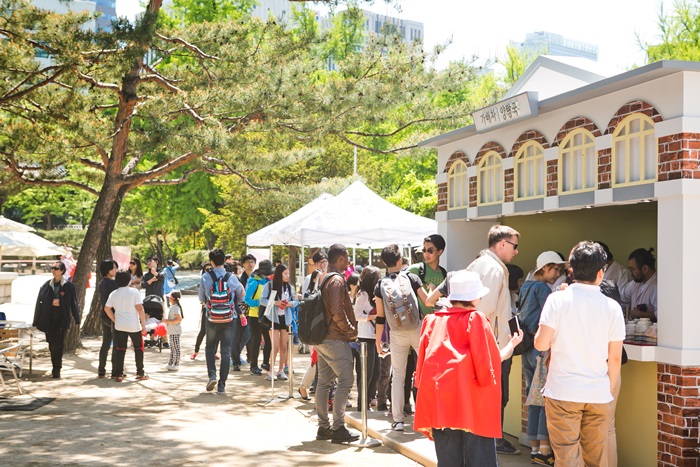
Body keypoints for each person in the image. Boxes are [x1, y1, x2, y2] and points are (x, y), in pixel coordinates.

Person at [426, 225, 521, 454]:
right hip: (484, 352)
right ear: (502, 244)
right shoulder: (492, 271)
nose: (516, 252)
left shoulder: (479, 263)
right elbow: (481, 315)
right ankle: (493, 441)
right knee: (485, 411)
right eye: (515, 246)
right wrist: (509, 345)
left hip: (454, 376)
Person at [414, 270, 523, 467]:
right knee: (480, 460)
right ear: (474, 297)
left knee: (448, 461)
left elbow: (421, 364)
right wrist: (512, 345)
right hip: (472, 402)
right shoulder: (476, 319)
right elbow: (488, 362)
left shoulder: (432, 320)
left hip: (440, 402)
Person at [534, 241, 625, 467]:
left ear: (571, 270)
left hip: (563, 391)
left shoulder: (556, 300)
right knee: (596, 458)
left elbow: (541, 344)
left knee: (567, 458)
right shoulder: (612, 307)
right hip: (598, 393)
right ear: (601, 271)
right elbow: (614, 358)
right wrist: (609, 389)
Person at [374, 244, 429, 432]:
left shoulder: (379, 285)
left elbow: (380, 317)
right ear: (400, 261)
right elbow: (428, 301)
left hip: (396, 334)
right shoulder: (412, 278)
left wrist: (377, 340)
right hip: (417, 329)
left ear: (383, 262)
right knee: (424, 373)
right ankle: (426, 417)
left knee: (398, 376)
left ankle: (397, 420)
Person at [519, 251, 566, 465]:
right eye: (555, 268)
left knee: (533, 398)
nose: (558, 273)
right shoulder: (542, 289)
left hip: (528, 349)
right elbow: (553, 316)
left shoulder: (526, 286)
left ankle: (535, 448)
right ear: (544, 267)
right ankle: (544, 450)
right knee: (545, 399)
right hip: (542, 350)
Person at [314, 244, 360, 444]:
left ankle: (323, 427)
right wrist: (350, 330)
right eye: (347, 257)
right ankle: (338, 427)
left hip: (322, 337)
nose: (349, 261)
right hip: (335, 337)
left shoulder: (323, 277)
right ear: (340, 258)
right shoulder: (337, 280)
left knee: (324, 383)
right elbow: (337, 311)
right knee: (346, 380)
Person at [198, 248, 244, 395]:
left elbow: (201, 298)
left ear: (211, 261)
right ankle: (222, 384)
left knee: (210, 348)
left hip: (211, 317)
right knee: (226, 351)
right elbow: (241, 296)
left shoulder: (206, 276)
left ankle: (212, 375)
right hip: (229, 318)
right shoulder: (231, 277)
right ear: (225, 260)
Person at [33, 261, 80, 378]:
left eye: (56, 268)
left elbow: (73, 303)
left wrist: (77, 318)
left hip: (61, 318)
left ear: (62, 271)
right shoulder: (46, 285)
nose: (53, 270)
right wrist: (36, 320)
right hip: (48, 318)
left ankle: (56, 369)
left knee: (59, 344)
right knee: (51, 343)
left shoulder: (69, 286)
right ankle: (55, 364)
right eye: (52, 268)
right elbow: (39, 303)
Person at [104, 270, 149, 382]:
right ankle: (140, 372)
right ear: (129, 279)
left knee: (121, 349)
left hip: (119, 326)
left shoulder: (113, 293)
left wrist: (114, 319)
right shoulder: (134, 292)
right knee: (138, 348)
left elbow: (107, 309)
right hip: (134, 325)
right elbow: (140, 308)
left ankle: (119, 374)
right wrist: (143, 324)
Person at [260, 263, 299, 381]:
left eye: (288, 274)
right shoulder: (269, 285)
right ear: (279, 274)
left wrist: (289, 304)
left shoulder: (289, 287)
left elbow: (295, 301)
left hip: (285, 319)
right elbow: (262, 300)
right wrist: (276, 303)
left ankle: (281, 369)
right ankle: (271, 371)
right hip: (273, 319)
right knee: (275, 346)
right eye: (285, 273)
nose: (287, 276)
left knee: (284, 346)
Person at [352, 265, 381, 412]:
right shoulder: (363, 294)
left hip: (375, 336)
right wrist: (374, 317)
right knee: (366, 373)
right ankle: (362, 404)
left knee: (377, 372)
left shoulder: (375, 294)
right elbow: (356, 315)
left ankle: (368, 400)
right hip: (365, 336)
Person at [244, 259, 274, 375]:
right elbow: (247, 299)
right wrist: (259, 303)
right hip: (254, 315)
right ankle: (253, 365)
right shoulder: (254, 282)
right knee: (256, 341)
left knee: (268, 340)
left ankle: (266, 362)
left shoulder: (267, 281)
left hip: (266, 314)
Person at [406, 234, 447, 316]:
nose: (426, 254)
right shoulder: (415, 270)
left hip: (438, 321)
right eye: (424, 250)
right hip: (419, 322)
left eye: (430, 251)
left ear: (440, 251)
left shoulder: (444, 273)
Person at [621, 247, 658, 321]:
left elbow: (662, 314)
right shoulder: (635, 283)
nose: (631, 274)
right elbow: (622, 298)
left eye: (632, 270)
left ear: (645, 269)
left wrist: (641, 314)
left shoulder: (657, 287)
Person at [97, 259, 119, 378]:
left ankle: (101, 369)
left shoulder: (102, 282)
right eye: (113, 268)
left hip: (104, 315)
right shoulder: (112, 283)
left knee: (105, 343)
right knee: (115, 343)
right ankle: (115, 370)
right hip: (113, 315)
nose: (116, 270)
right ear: (107, 270)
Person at [191, 263, 212, 361]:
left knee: (215, 332)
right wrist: (203, 302)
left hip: (216, 308)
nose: (208, 270)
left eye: (210, 269)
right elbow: (201, 294)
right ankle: (196, 351)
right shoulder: (203, 279)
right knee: (203, 330)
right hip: (206, 307)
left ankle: (214, 352)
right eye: (206, 269)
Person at [162, 290, 184, 371]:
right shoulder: (174, 307)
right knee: (172, 348)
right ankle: (171, 363)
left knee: (176, 348)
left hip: (175, 331)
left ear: (173, 298)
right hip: (172, 331)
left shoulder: (175, 308)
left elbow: (179, 319)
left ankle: (176, 364)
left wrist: (168, 321)